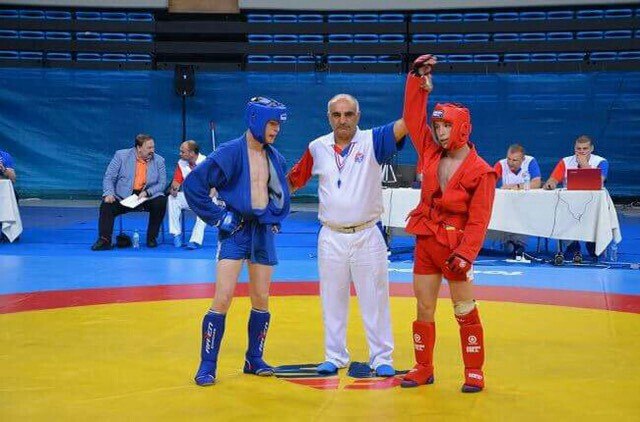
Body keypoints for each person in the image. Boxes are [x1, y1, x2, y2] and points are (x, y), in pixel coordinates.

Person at [287, 93, 408, 378]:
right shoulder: (317, 147)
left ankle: (381, 357)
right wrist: (265, 202)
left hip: (367, 233)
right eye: (337, 115)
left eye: (348, 114)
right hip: (331, 235)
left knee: (375, 298)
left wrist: (418, 85)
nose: (342, 120)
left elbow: (408, 123)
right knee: (331, 298)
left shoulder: (373, 140)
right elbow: (293, 181)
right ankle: (334, 355)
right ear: (329, 118)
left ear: (358, 116)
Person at [401, 54, 497, 393]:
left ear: (462, 128)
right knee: (423, 306)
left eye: (446, 127)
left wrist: (467, 253)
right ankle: (423, 367)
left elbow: (479, 219)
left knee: (464, 308)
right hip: (427, 239)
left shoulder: (482, 171)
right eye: (438, 126)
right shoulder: (430, 151)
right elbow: (412, 118)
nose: (440, 133)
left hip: (457, 247)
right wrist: (417, 81)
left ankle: (474, 371)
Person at [184, 96, 290, 386]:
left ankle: (254, 359)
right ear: (256, 120)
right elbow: (193, 186)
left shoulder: (275, 158)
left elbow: (277, 192)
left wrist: (274, 217)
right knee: (223, 297)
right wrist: (218, 217)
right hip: (235, 231)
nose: (276, 129)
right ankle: (207, 365)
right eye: (272, 123)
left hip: (262, 232)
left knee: (262, 298)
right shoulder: (229, 152)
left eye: (278, 124)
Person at [91, 134, 167, 251]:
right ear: (139, 148)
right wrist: (109, 193)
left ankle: (151, 238)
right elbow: (109, 177)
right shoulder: (121, 156)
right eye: (149, 148)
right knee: (107, 205)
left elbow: (162, 183)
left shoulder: (159, 160)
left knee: (161, 201)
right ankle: (104, 240)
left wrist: (147, 192)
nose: (152, 150)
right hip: (123, 196)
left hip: (146, 196)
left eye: (153, 147)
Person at [543, 135, 609, 260]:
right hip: (568, 205)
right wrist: (551, 183)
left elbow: (599, 181)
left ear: (591, 149)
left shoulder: (601, 162)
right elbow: (553, 179)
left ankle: (592, 242)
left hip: (593, 205)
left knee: (594, 253)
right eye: (578, 149)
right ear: (574, 148)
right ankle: (573, 245)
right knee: (561, 213)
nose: (581, 151)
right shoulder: (565, 161)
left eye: (585, 148)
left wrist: (584, 164)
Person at [492, 144, 542, 256]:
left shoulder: (530, 162)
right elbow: (489, 182)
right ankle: (508, 242)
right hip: (506, 205)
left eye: (515, 160)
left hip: (526, 204)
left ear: (523, 159)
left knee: (522, 214)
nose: (510, 163)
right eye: (509, 159)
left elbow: (536, 183)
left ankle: (518, 244)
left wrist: (517, 186)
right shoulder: (501, 164)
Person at [168, 140, 208, 249]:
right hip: (190, 196)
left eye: (183, 152)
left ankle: (195, 240)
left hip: (206, 197)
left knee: (205, 207)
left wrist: (207, 198)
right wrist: (174, 189)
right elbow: (176, 182)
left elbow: (214, 186)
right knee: (172, 198)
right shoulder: (181, 163)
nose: (180, 154)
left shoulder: (206, 162)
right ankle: (176, 234)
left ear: (192, 153)